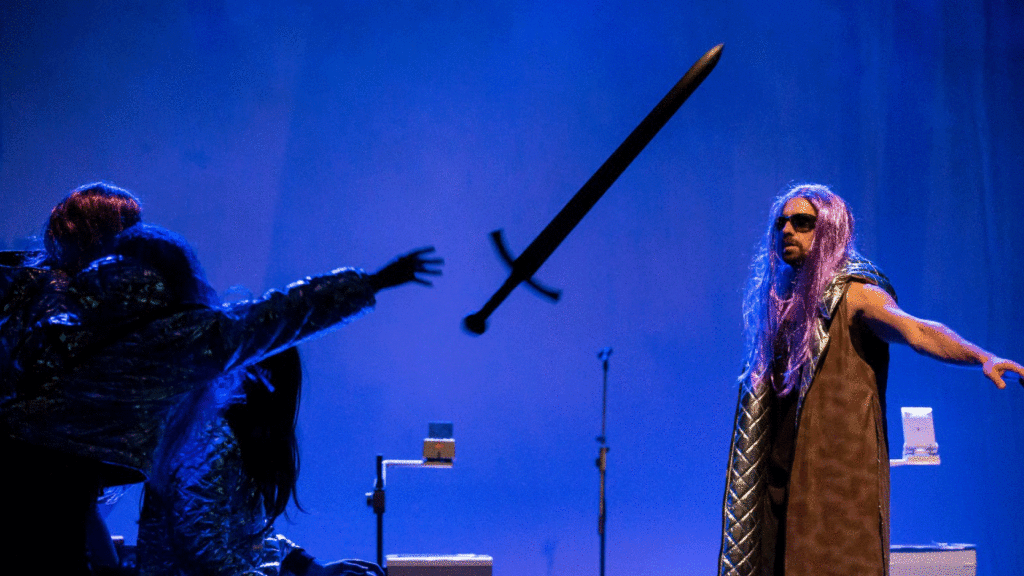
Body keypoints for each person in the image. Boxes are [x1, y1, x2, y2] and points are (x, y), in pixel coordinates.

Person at [0, 182, 442, 575]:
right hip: (54, 486)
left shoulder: (43, 296)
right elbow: (276, 316)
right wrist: (372, 283)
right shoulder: (177, 337)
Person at [717, 183, 1024, 576]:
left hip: (831, 490)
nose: (787, 230)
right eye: (781, 223)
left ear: (829, 229)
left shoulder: (856, 293)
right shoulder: (782, 309)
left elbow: (917, 331)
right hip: (778, 485)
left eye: (802, 222)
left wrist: (982, 356)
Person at [138, 348, 383, 576]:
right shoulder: (210, 442)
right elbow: (204, 552)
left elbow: (247, 534)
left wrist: (309, 566)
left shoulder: (224, 434)